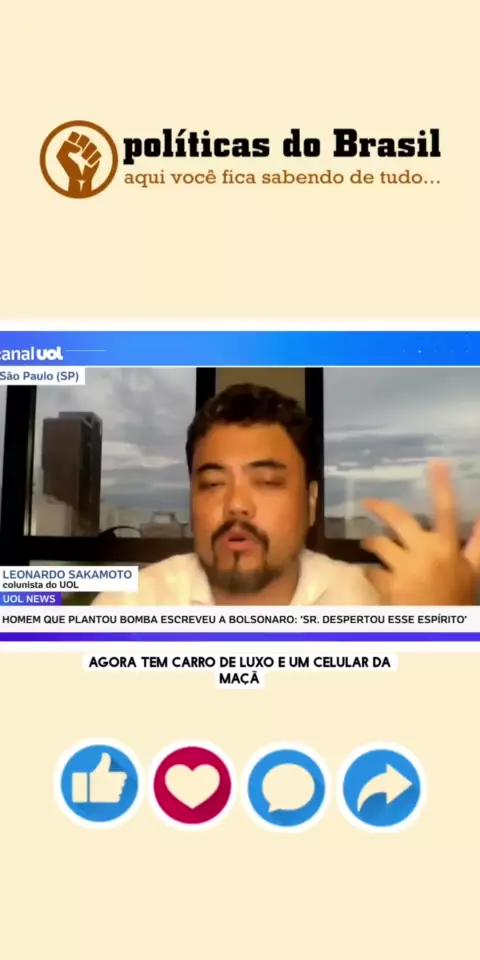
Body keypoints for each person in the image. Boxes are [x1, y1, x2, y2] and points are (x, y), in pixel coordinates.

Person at [93, 384, 480, 606]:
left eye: (267, 482)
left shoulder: (375, 604)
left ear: (311, 503)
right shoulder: (128, 608)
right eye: (212, 484)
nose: (236, 505)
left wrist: (444, 633)